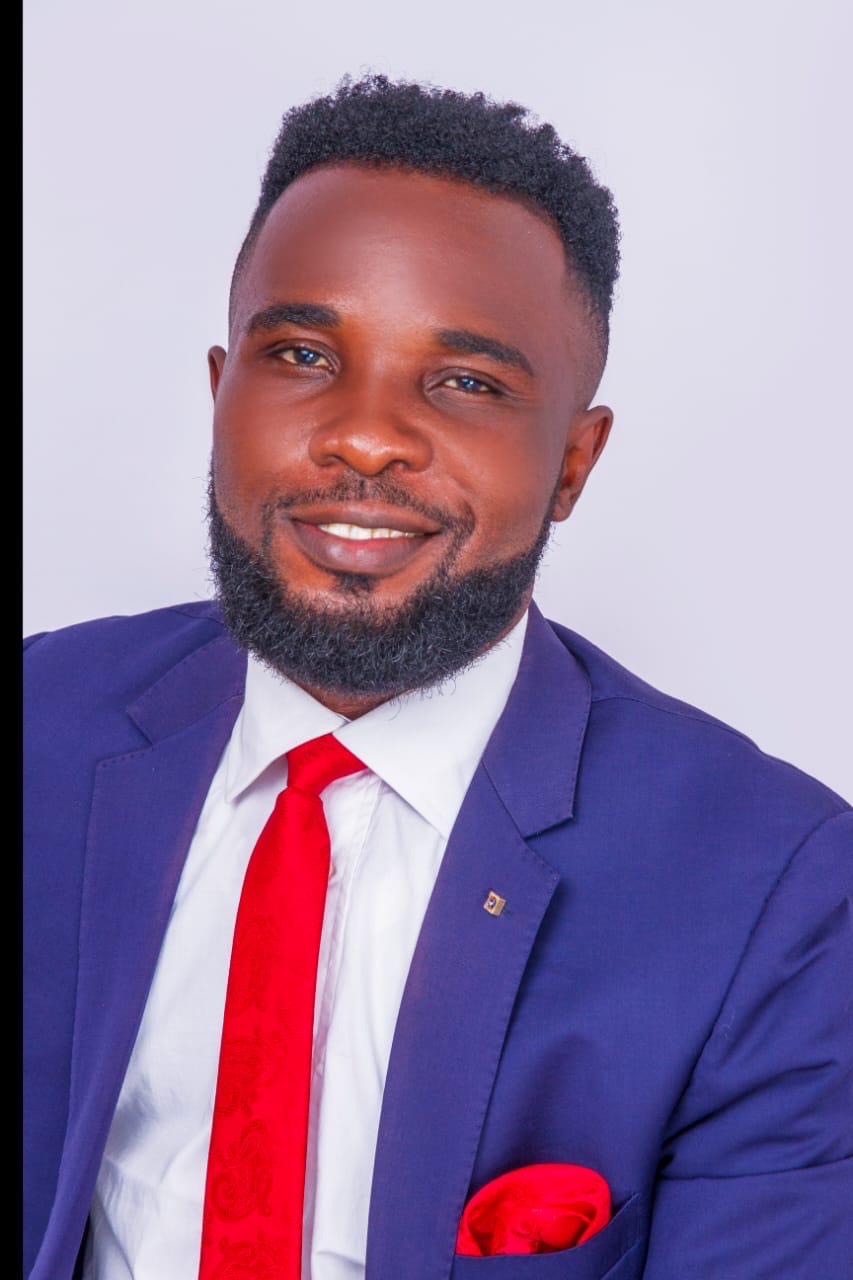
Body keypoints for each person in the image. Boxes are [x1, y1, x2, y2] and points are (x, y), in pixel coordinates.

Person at [24, 73, 851, 1280]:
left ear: (572, 464)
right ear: (219, 393)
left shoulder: (773, 886)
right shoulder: (43, 726)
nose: (364, 435)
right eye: (302, 353)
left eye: (465, 382)